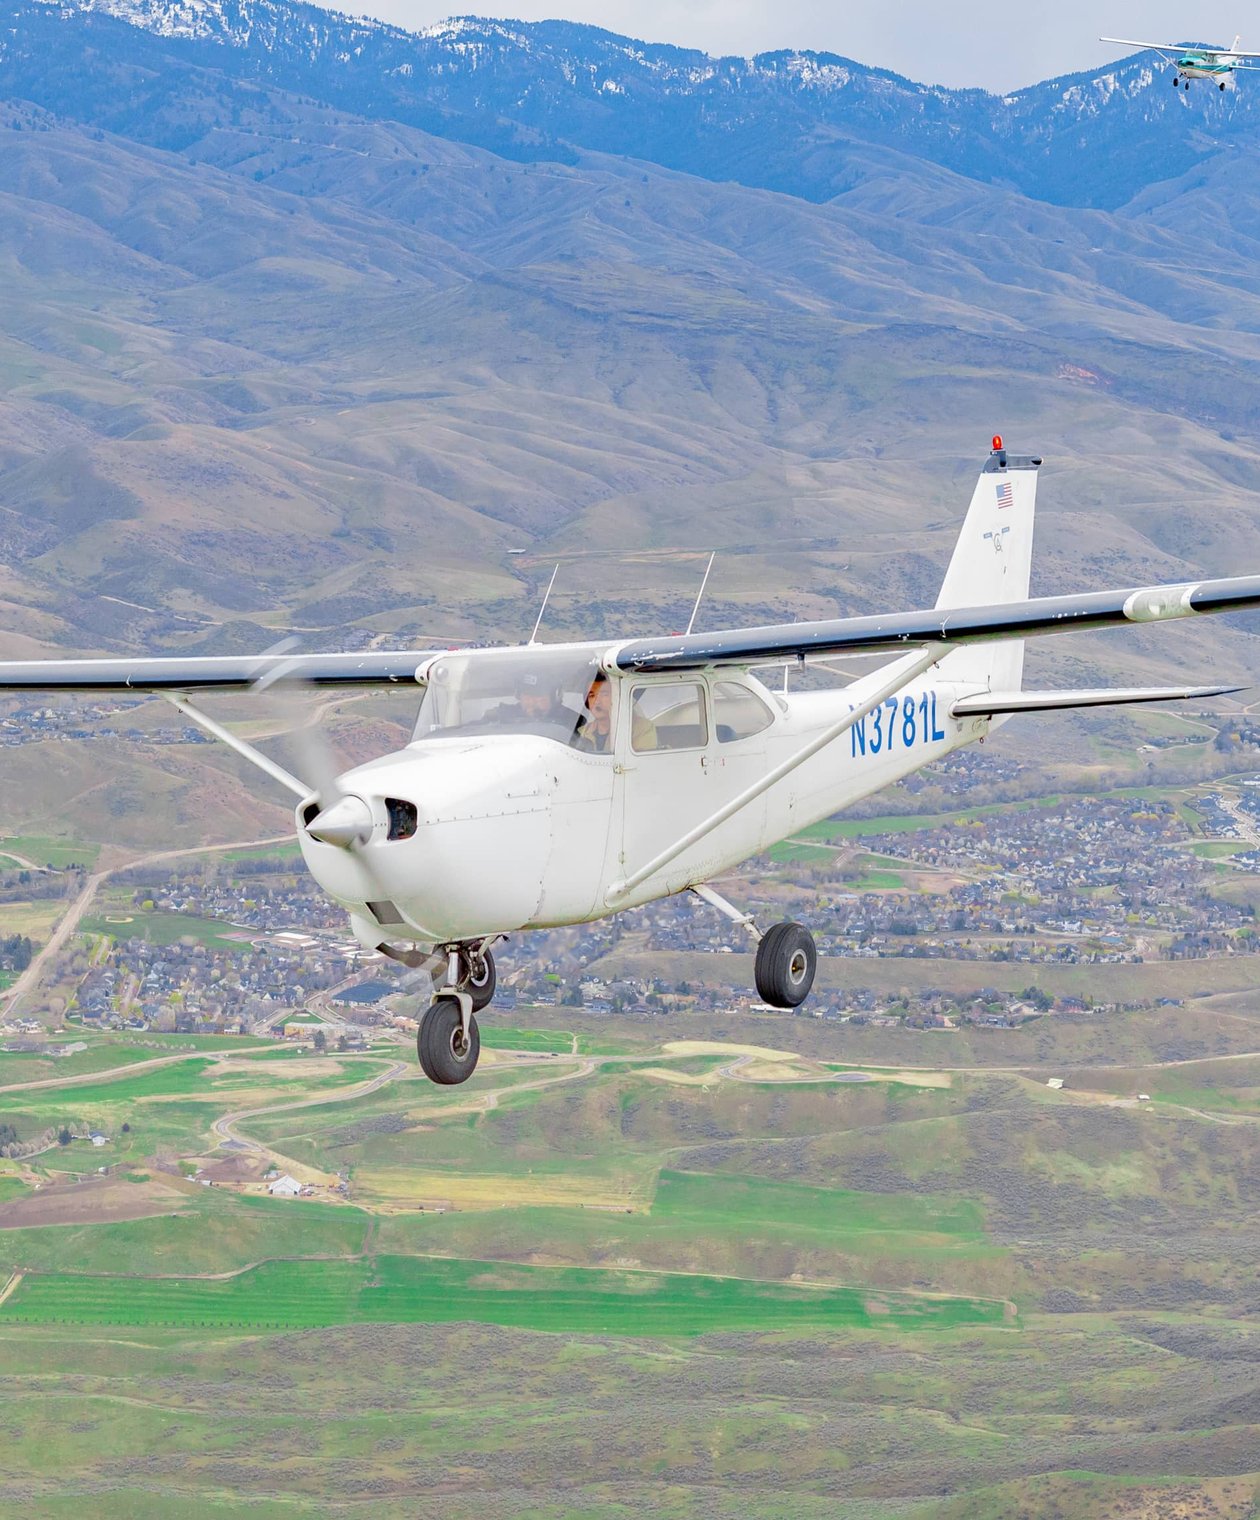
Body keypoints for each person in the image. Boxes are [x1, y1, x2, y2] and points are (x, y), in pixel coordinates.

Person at [572, 673, 656, 753]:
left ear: (617, 697)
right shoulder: (581, 732)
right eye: (592, 695)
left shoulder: (642, 728)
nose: (597, 701)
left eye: (604, 694)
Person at [487, 671, 576, 734]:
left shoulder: (573, 720)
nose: (532, 701)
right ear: (518, 695)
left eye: (539, 695)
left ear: (553, 697)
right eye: (527, 694)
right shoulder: (500, 716)